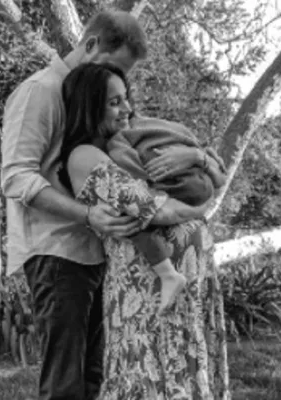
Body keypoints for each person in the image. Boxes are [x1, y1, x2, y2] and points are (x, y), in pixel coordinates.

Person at [1, 10, 149, 400]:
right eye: (114, 67)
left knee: (94, 377)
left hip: (96, 249)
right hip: (57, 253)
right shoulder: (40, 91)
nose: (116, 81)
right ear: (90, 44)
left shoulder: (90, 94)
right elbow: (16, 176)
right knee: (65, 383)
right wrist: (87, 214)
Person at [59, 62, 226, 398]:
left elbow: (214, 180)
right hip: (145, 290)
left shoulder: (130, 147)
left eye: (126, 98)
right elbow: (154, 208)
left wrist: (195, 157)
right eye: (114, 102)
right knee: (148, 379)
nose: (127, 109)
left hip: (188, 283)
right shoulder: (84, 155)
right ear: (89, 107)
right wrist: (199, 212)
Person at [107, 115, 227, 312]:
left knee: (130, 209)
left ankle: (167, 274)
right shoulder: (169, 127)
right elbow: (220, 180)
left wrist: (197, 157)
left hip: (178, 201)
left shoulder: (118, 139)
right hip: (200, 187)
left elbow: (145, 199)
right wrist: (200, 159)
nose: (123, 109)